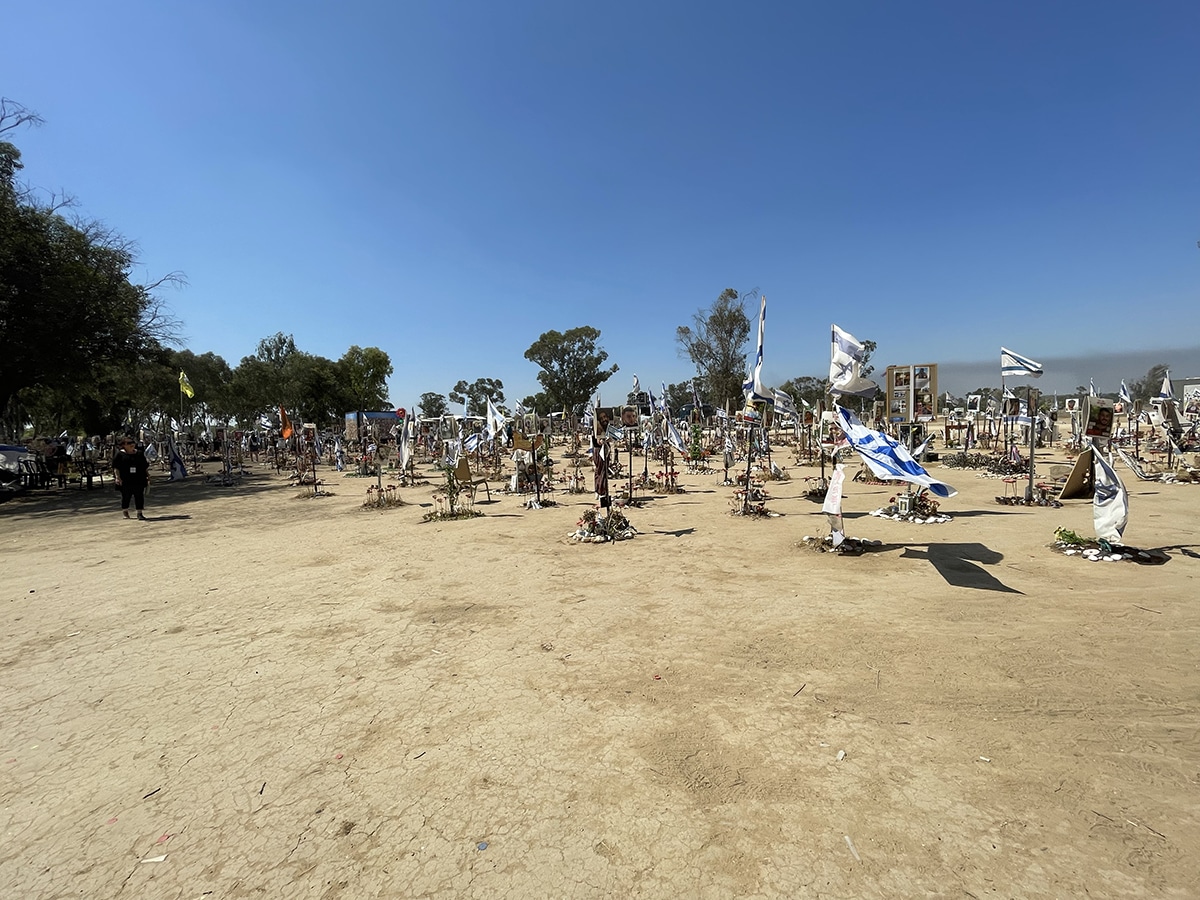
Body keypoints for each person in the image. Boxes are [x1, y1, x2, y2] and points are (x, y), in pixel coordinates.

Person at [113, 436, 150, 520]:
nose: (132, 444)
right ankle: (125, 512)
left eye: (132, 442)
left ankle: (139, 513)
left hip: (139, 477)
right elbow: (116, 468)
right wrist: (117, 477)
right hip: (125, 479)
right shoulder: (119, 455)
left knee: (139, 495)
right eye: (129, 443)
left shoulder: (139, 453)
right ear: (123, 445)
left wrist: (148, 476)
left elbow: (144, 466)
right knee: (126, 496)